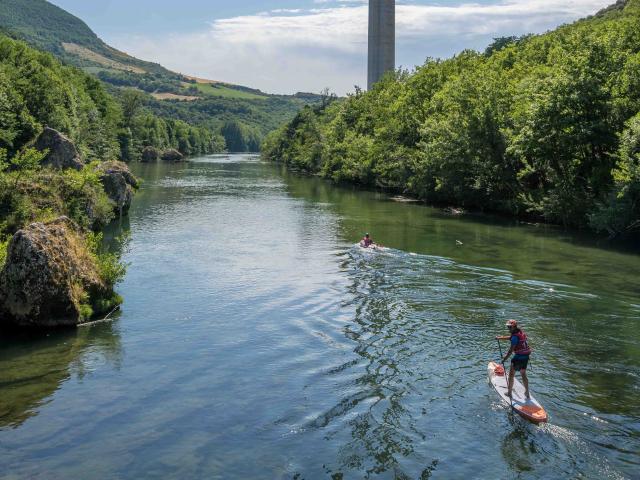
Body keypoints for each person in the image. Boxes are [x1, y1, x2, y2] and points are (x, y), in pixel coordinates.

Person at [496, 319, 532, 399]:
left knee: (511, 375)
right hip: (525, 357)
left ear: (514, 327)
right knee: (523, 374)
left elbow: (510, 351)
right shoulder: (520, 333)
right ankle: (527, 392)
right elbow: (511, 338)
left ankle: (509, 393)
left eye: (510, 327)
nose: (508, 329)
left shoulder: (515, 336)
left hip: (518, 358)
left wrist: (504, 359)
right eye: (508, 327)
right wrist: (500, 338)